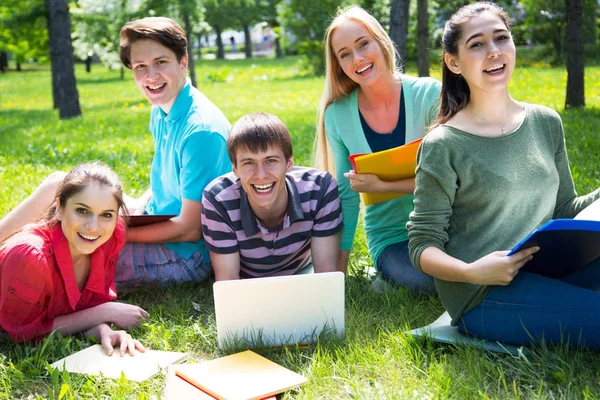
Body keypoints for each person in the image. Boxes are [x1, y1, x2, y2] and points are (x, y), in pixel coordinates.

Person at [407, 2, 600, 348]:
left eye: (501, 38)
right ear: (454, 63)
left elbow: (566, 207)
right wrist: (472, 272)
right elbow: (422, 245)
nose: (493, 52)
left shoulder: (545, 122)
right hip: (482, 294)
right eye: (477, 44)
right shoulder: (442, 144)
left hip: (549, 270)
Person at [314, 5, 440, 293]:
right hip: (392, 237)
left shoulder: (429, 94)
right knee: (433, 284)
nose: (357, 58)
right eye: (345, 54)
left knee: (469, 275)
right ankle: (388, 277)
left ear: (381, 42)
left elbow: (450, 179)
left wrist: (382, 185)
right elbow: (345, 198)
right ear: (338, 64)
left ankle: (391, 282)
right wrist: (339, 275)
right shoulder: (338, 115)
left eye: (363, 44)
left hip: (445, 225)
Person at [115, 17, 231, 289]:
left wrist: (118, 232)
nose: (151, 76)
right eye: (140, 67)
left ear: (183, 62)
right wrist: (137, 209)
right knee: (59, 187)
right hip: (157, 222)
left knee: (68, 256)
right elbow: (165, 182)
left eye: (160, 62)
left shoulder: (201, 131)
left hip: (185, 255)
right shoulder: (163, 108)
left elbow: (190, 229)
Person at [0, 163, 149, 356]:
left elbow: (73, 310)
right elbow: (22, 332)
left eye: (106, 215)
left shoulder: (110, 237)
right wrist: (106, 312)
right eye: (82, 211)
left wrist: (103, 330)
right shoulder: (30, 257)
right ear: (60, 208)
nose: (93, 227)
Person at [201, 112, 343, 280]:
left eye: (271, 161)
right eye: (249, 163)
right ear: (235, 170)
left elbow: (326, 276)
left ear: (289, 163)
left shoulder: (320, 189)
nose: (261, 175)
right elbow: (229, 282)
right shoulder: (218, 200)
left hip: (302, 273)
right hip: (247, 283)